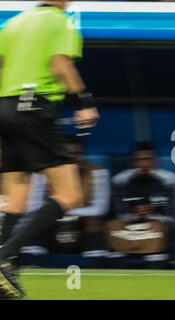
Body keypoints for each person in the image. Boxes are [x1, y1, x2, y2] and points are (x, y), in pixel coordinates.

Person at [0, 0, 99, 298]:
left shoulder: (13, 23)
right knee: (69, 194)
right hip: (34, 107)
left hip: (4, 108)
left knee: (15, 202)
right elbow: (60, 63)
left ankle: (4, 281)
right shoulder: (59, 21)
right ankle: (5, 255)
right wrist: (84, 103)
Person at [23, 135, 110, 264]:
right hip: (52, 222)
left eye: (77, 153)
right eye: (68, 154)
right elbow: (33, 205)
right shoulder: (42, 173)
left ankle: (94, 263)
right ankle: (33, 262)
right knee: (34, 219)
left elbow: (100, 209)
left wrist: (64, 209)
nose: (74, 158)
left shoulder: (98, 172)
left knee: (94, 221)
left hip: (80, 224)